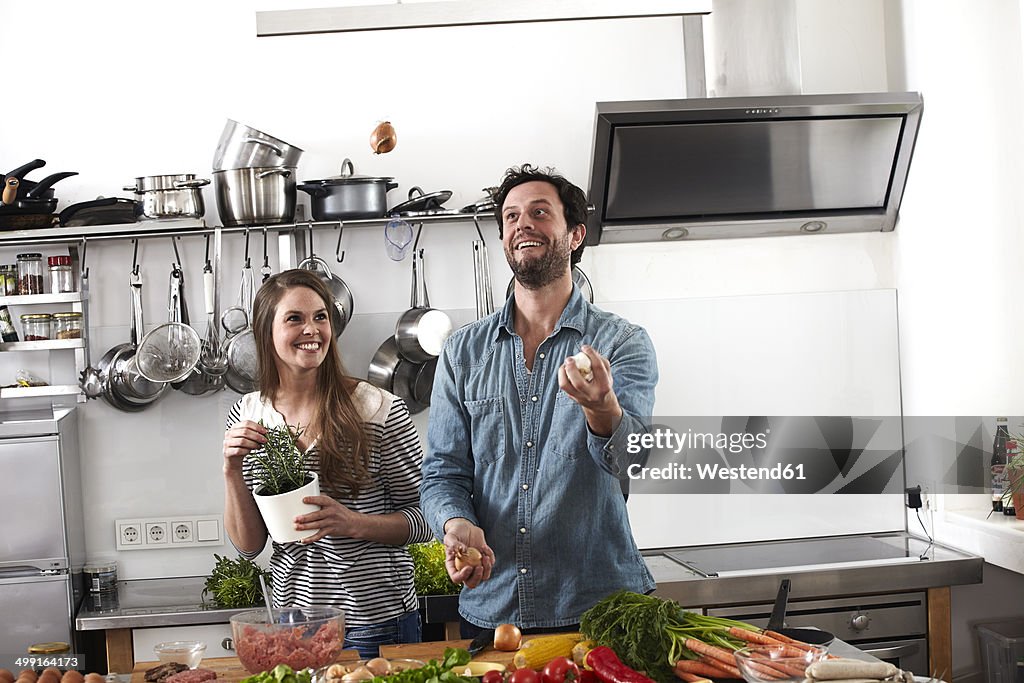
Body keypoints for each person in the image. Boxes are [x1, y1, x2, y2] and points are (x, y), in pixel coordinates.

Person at [420, 164, 659, 635]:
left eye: (539, 212)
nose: (521, 224)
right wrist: (454, 525)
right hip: (493, 609)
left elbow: (636, 463)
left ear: (575, 235)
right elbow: (442, 474)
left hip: (598, 608)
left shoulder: (621, 343)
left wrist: (601, 408)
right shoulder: (463, 351)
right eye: (511, 217)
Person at [222, 268, 432, 658]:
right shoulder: (250, 414)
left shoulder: (376, 409)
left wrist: (353, 523)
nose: (312, 329)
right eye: (295, 318)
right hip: (294, 624)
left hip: (375, 622)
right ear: (266, 331)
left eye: (320, 317)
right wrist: (232, 471)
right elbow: (250, 547)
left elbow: (427, 518)